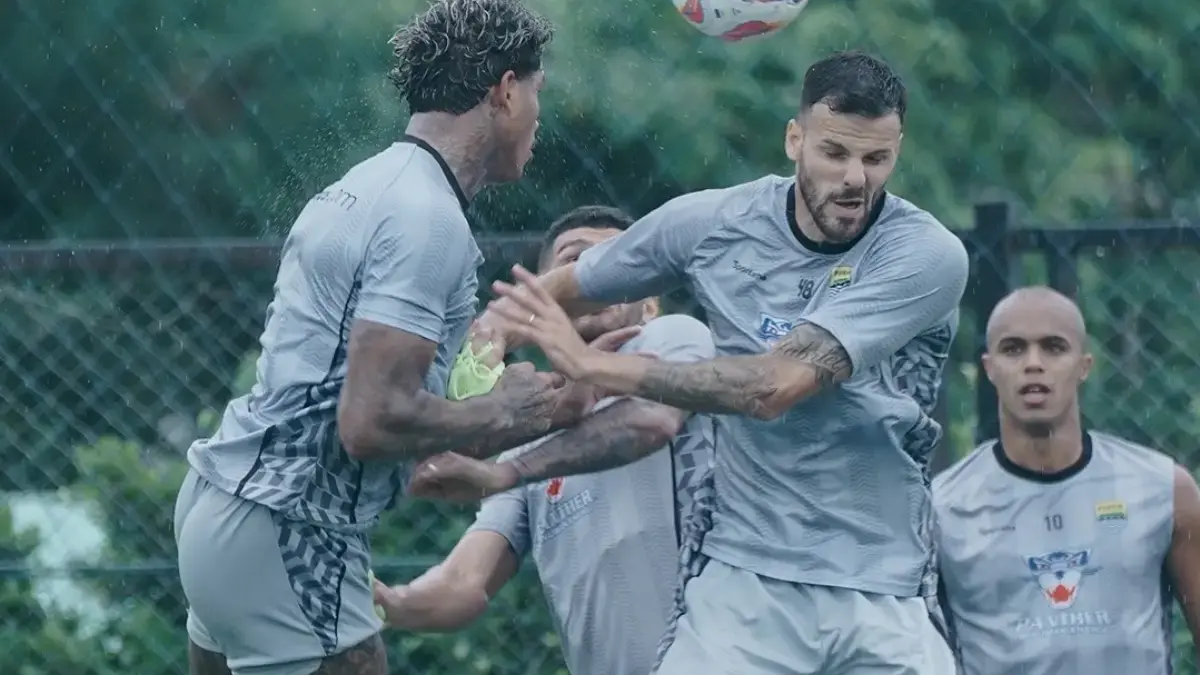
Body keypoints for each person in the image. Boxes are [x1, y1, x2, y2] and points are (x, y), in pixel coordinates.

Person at [479, 50, 965, 674]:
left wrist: (594, 365)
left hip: (884, 589)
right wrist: (485, 337)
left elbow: (774, 387)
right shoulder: (714, 223)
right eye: (835, 153)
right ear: (795, 140)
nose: (855, 180)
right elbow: (577, 283)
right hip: (744, 583)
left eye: (877, 160)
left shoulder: (925, 255)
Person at [170, 2, 567, 674]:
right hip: (290, 525)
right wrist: (505, 410)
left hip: (227, 504)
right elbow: (370, 420)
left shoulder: (366, 185)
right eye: (537, 92)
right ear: (504, 91)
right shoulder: (427, 217)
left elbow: (357, 388)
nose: (538, 115)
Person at [371, 205, 717, 675]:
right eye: (575, 261)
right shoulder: (527, 443)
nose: (597, 273)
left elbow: (652, 421)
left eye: (620, 261)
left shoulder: (675, 337)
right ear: (542, 297)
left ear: (651, 302)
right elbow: (464, 583)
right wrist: (387, 604)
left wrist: (505, 472)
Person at [933, 286, 1200, 675]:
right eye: (1013, 349)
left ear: (1084, 365)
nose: (1033, 364)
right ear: (989, 368)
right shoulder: (942, 508)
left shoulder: (1164, 489)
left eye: (1054, 347)